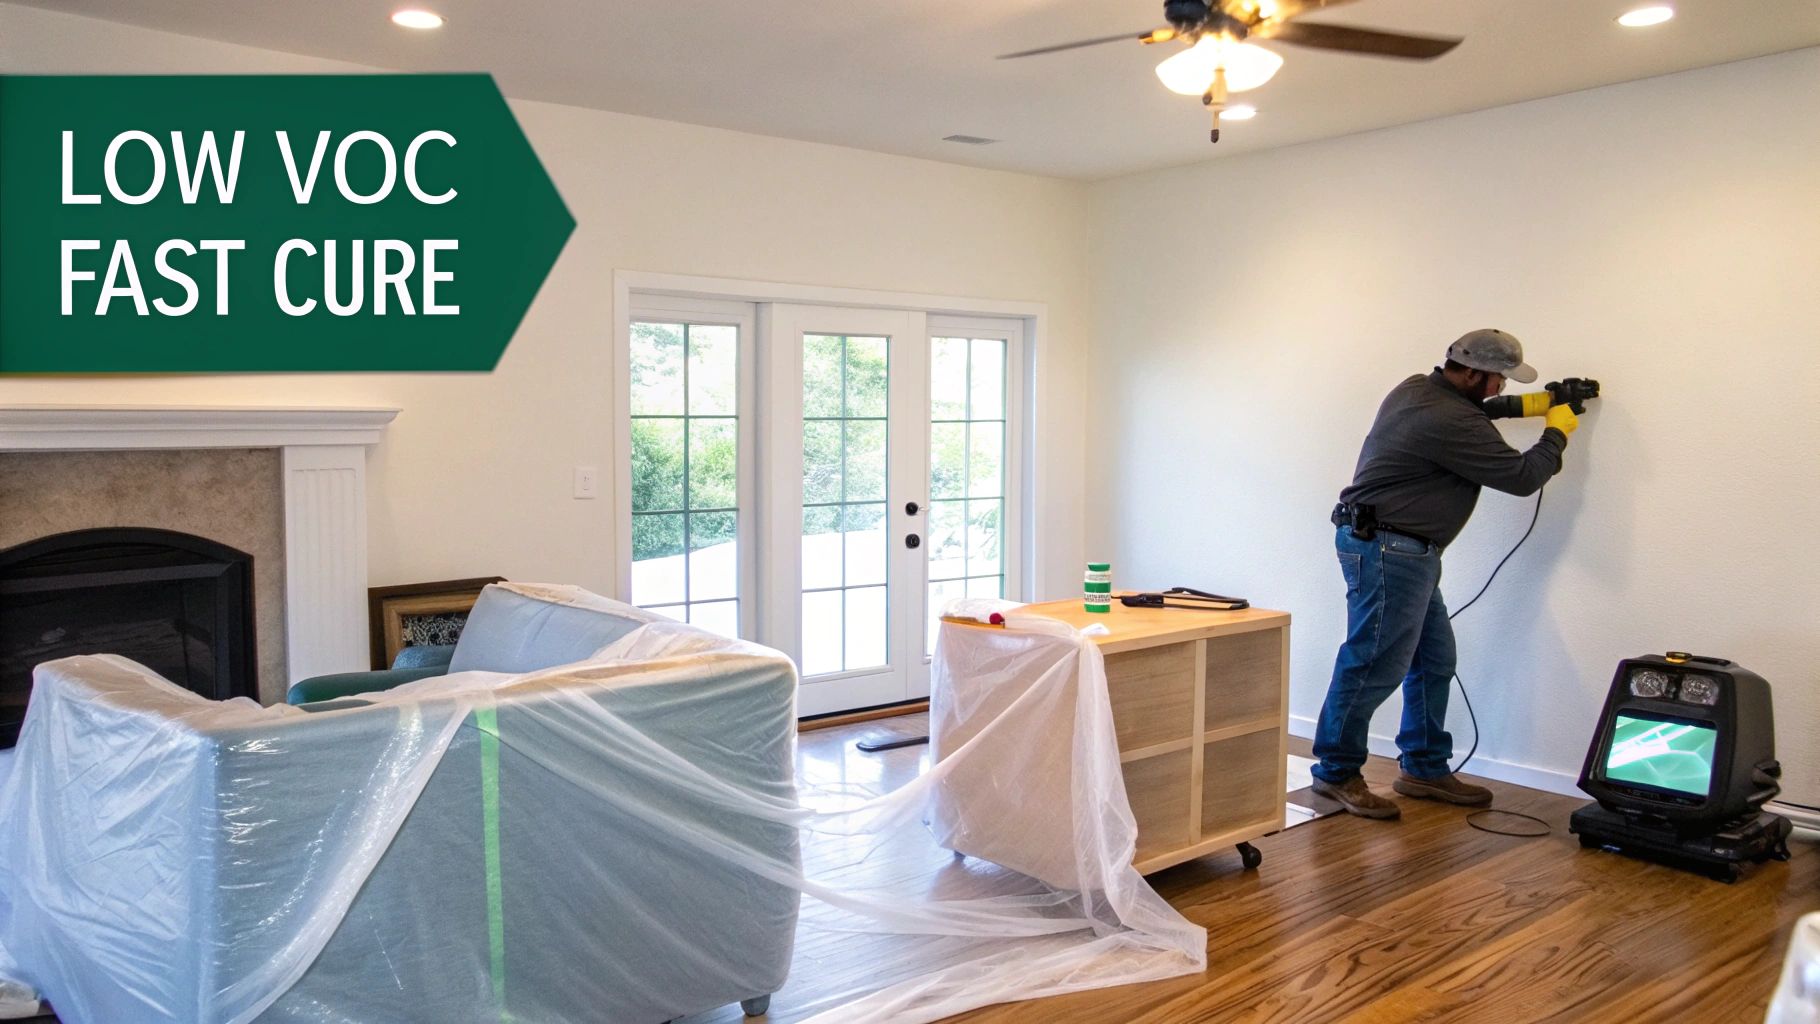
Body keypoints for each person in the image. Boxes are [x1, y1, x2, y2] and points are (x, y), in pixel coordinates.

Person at [1310, 329, 1580, 818]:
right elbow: (1522, 478)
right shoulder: (1448, 419)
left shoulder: (1418, 388)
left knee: (1433, 659)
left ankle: (1425, 767)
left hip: (1397, 547)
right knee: (1373, 662)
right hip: (1390, 550)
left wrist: (1538, 403)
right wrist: (1557, 430)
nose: (1501, 387)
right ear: (1473, 372)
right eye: (1498, 378)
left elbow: (1479, 411)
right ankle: (1334, 772)